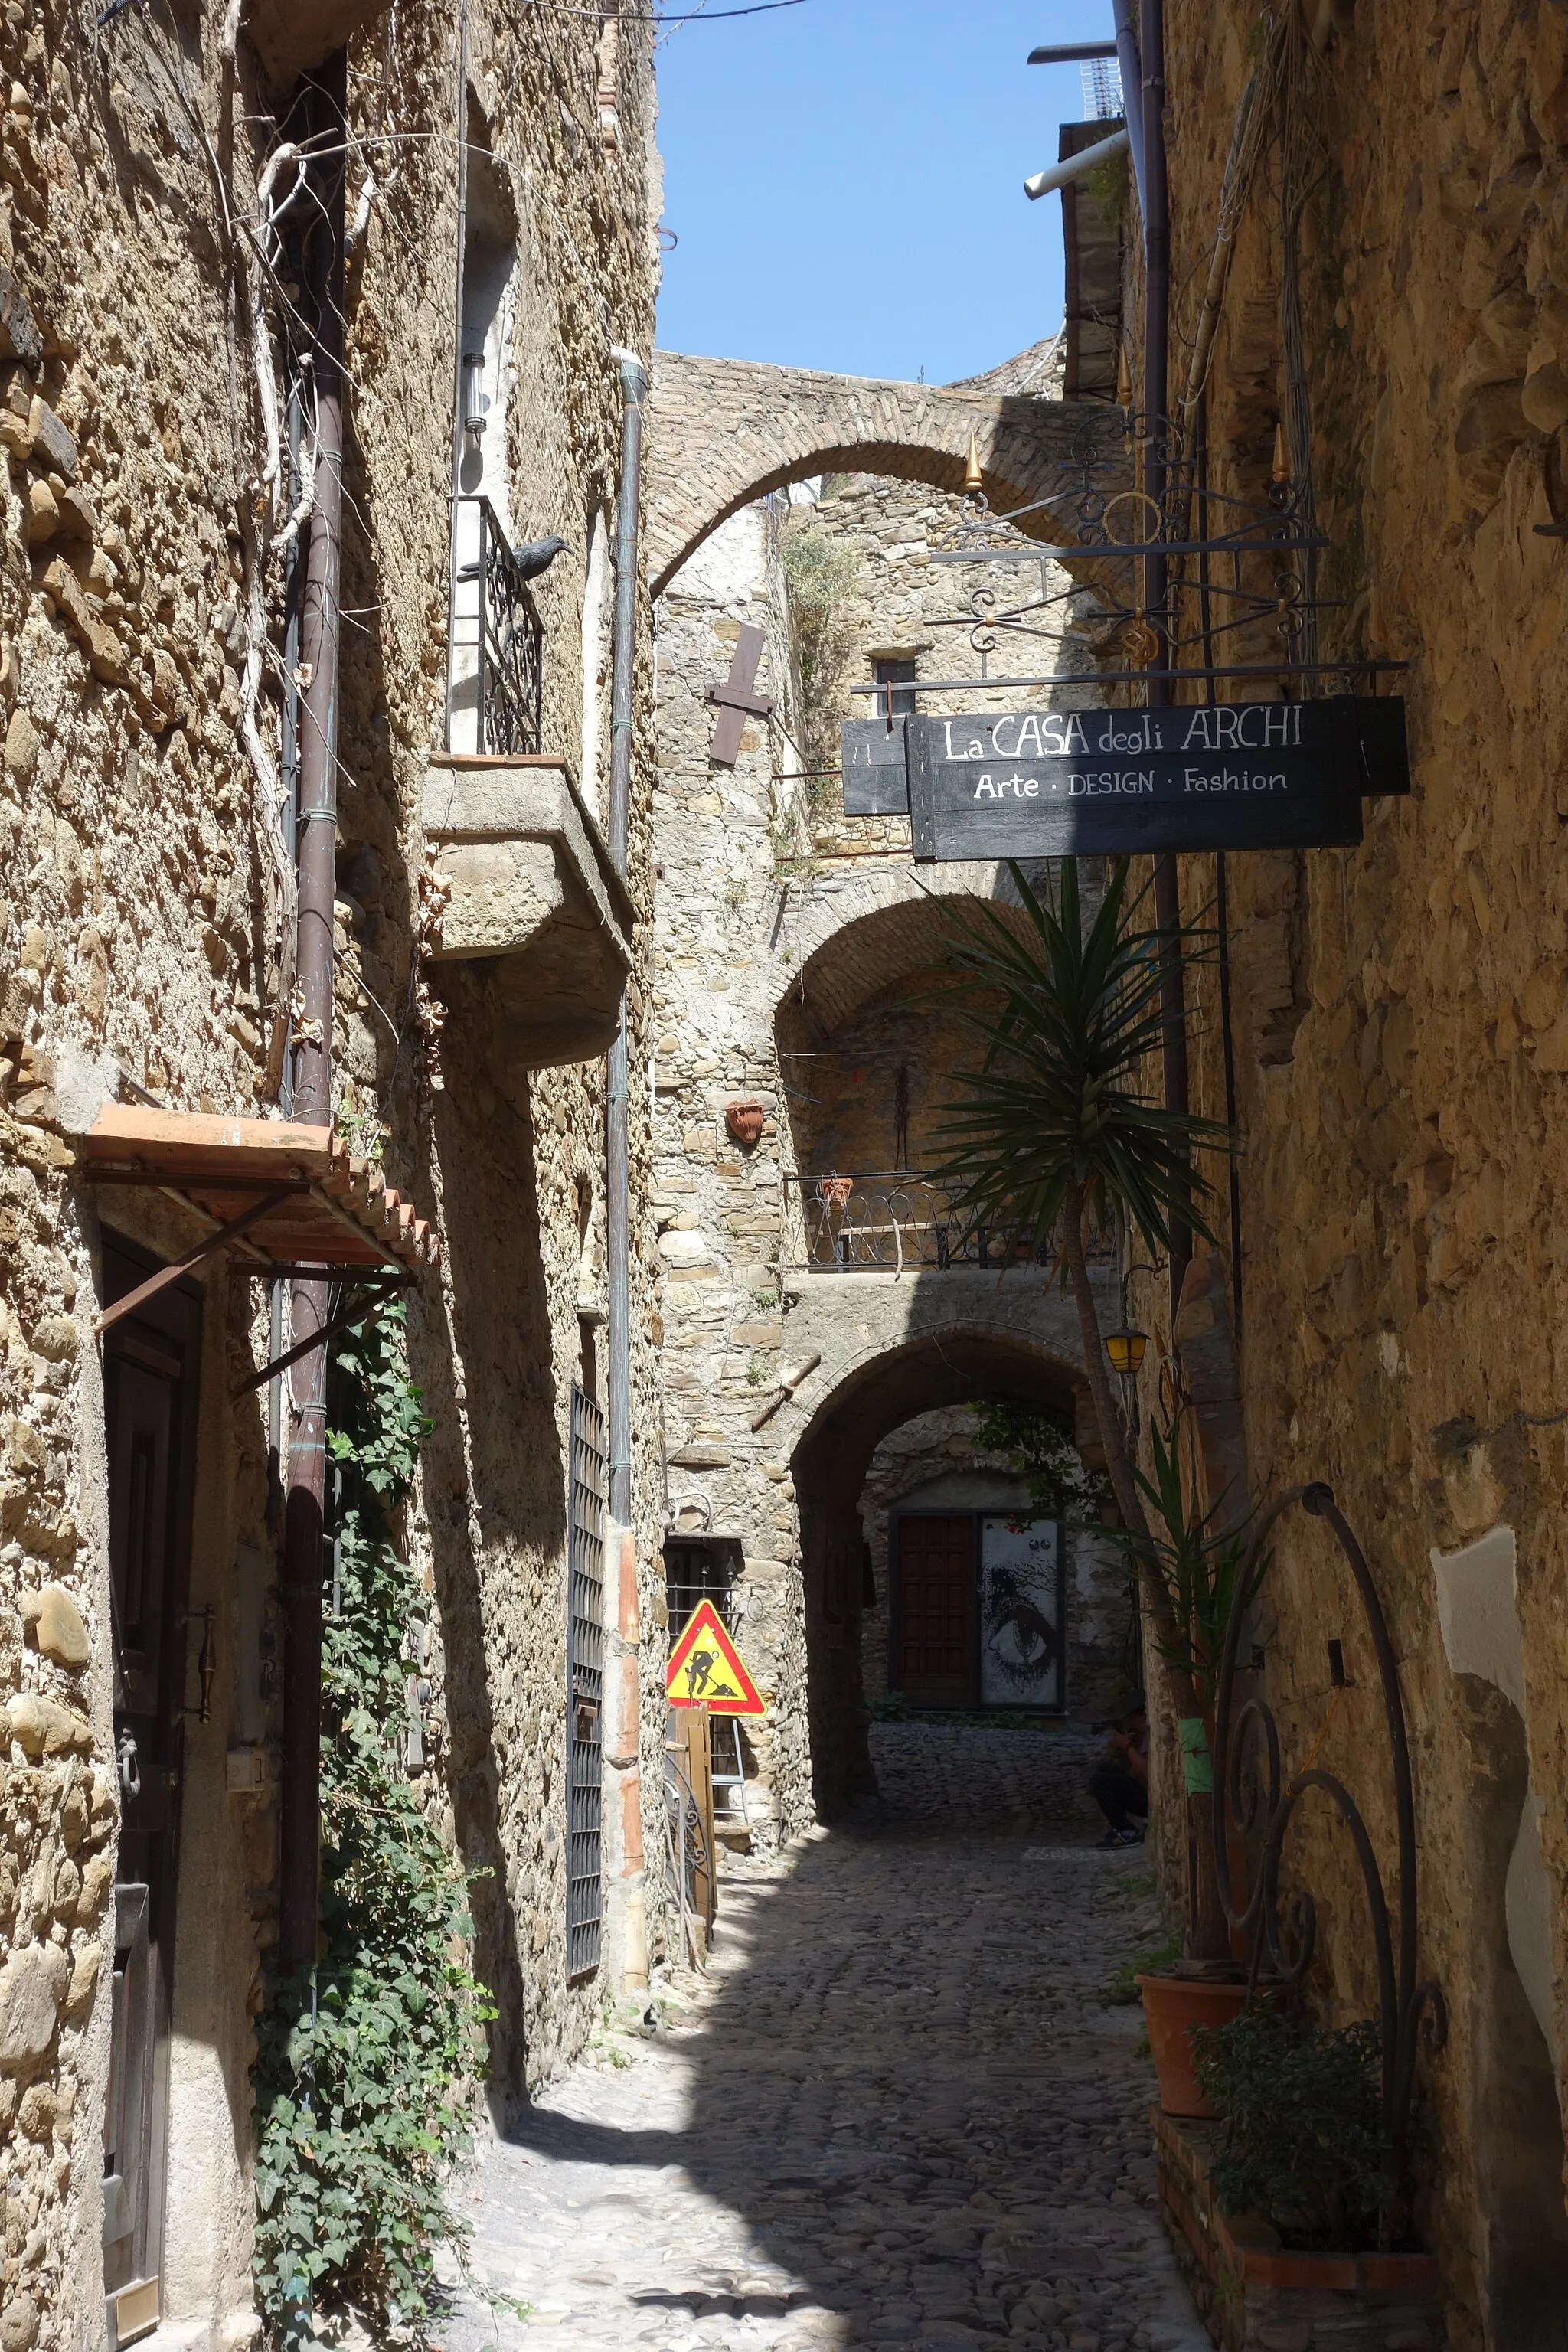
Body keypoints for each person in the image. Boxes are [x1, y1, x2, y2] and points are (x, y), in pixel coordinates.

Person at [1089, 1697, 1148, 1847]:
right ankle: (1119, 1826)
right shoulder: (1142, 1737)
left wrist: (1128, 1746)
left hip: (1150, 1798)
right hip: (1142, 1788)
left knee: (1099, 1781)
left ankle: (1126, 1832)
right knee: (1104, 1770)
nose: (1130, 1725)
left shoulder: (1150, 1736)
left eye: (1132, 1720)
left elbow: (1147, 1771)